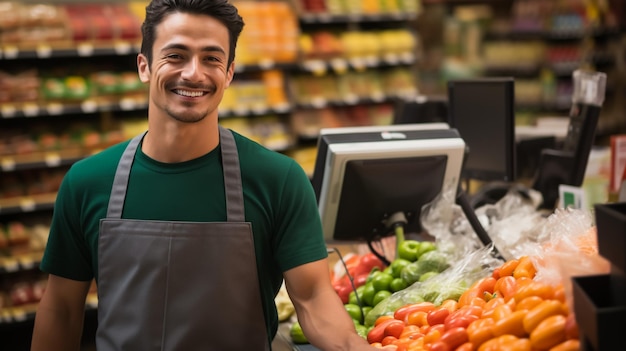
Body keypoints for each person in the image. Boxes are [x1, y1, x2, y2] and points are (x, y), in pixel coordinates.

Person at [30, 0, 378, 350]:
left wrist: (353, 346)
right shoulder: (87, 182)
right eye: (176, 55)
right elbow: (61, 309)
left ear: (228, 73)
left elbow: (314, 297)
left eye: (211, 58)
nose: (193, 73)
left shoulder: (278, 179)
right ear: (144, 66)